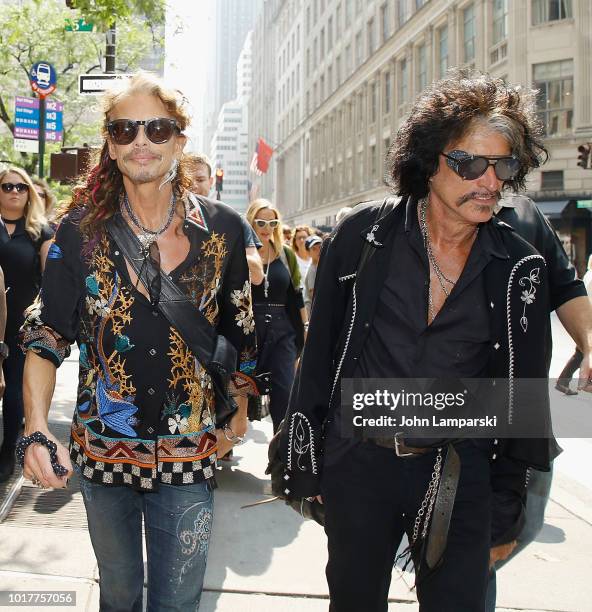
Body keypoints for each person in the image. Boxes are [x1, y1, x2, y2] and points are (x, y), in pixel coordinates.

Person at [278, 70, 566, 612]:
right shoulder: (363, 236)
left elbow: (523, 396)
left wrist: (507, 507)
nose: (488, 181)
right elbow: (319, 358)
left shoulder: (519, 266)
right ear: (428, 162)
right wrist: (305, 458)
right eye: (468, 163)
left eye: (502, 165)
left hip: (458, 473)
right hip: (359, 464)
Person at [19, 72, 256, 611]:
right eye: (125, 130)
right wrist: (35, 429)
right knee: (120, 594)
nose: (141, 141)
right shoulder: (78, 231)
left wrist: (237, 410)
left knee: (178, 601)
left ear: (179, 139)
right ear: (109, 141)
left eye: (157, 128)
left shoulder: (223, 230)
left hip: (192, 450)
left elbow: (240, 329)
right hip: (104, 449)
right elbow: (47, 331)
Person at [484, 195, 591, 611]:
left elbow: (567, 287)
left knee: (521, 526)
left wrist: (588, 343)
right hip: (449, 404)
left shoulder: (525, 215)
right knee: (472, 549)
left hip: (519, 408)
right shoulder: (415, 210)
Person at [0, 166, 53, 482]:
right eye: (7, 186)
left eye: (21, 187)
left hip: (22, 325)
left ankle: (8, 452)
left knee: (16, 393)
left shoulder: (39, 231)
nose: (15, 192)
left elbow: (51, 281)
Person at [247, 199, 306, 432]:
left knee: (285, 389)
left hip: (283, 329)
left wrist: (305, 328)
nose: (266, 227)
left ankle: (282, 451)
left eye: (272, 222)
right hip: (248, 327)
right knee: (240, 387)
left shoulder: (286, 254)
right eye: (261, 222)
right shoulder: (240, 250)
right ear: (251, 222)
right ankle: (227, 439)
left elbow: (296, 296)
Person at [186, 153, 264, 285]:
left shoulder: (232, 220)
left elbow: (257, 277)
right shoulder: (163, 221)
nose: (193, 186)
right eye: (187, 180)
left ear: (211, 182)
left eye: (200, 180)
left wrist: (221, 249)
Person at [554, 253, 592, 395]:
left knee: (581, 353)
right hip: (588, 317)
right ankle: (563, 381)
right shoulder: (591, 277)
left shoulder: (588, 276)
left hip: (587, 317)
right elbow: (585, 298)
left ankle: (563, 381)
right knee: (581, 352)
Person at [303, 234, 323, 317]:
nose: (318, 251)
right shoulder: (312, 269)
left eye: (320, 247)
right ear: (308, 252)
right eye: (314, 249)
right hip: (313, 311)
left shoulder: (321, 266)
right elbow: (313, 293)